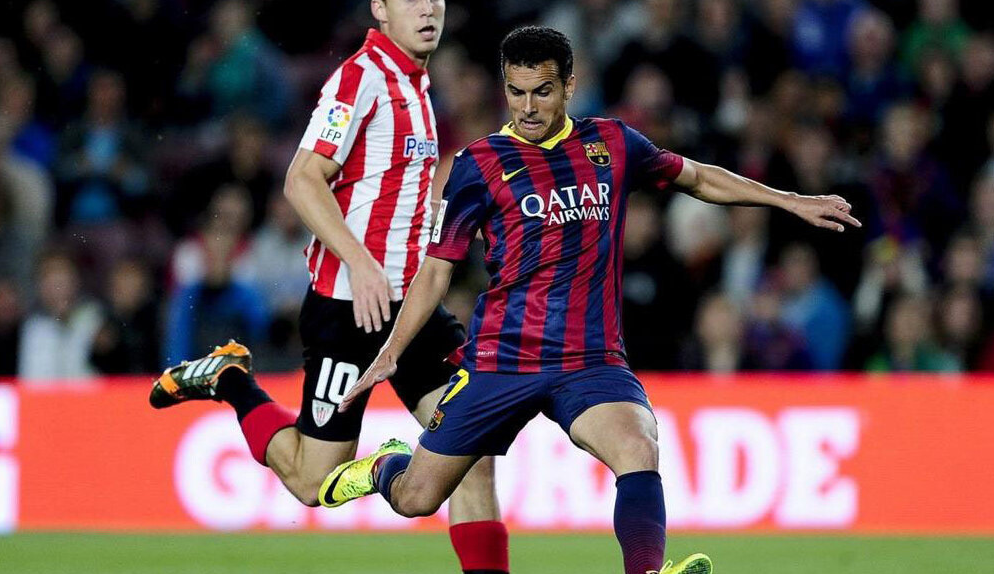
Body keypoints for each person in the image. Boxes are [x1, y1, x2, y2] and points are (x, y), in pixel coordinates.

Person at [318, 27, 861, 574]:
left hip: (590, 359)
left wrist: (787, 200)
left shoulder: (614, 144)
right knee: (417, 498)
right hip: (502, 359)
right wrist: (391, 350)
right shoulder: (478, 166)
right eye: (516, 91)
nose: (528, 107)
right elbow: (437, 271)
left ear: (570, 85)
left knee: (639, 445)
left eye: (542, 91)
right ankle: (389, 464)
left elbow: (697, 179)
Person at [148, 3, 509, 574]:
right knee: (313, 481)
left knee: (471, 449)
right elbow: (301, 178)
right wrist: (360, 261)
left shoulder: (417, 87)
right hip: (349, 307)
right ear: (380, 9)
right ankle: (232, 381)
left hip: (412, 310)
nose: (428, 9)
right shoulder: (359, 78)